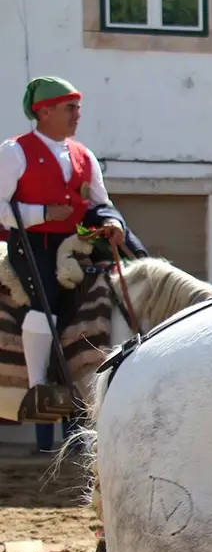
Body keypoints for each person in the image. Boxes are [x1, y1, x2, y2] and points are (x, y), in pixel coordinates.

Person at [0, 76, 131, 450]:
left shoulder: (84, 155)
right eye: (70, 107)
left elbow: (99, 203)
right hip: (32, 244)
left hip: (77, 244)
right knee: (47, 300)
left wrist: (112, 222)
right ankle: (39, 384)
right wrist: (42, 212)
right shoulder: (14, 152)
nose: (78, 114)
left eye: (78, 107)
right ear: (44, 112)